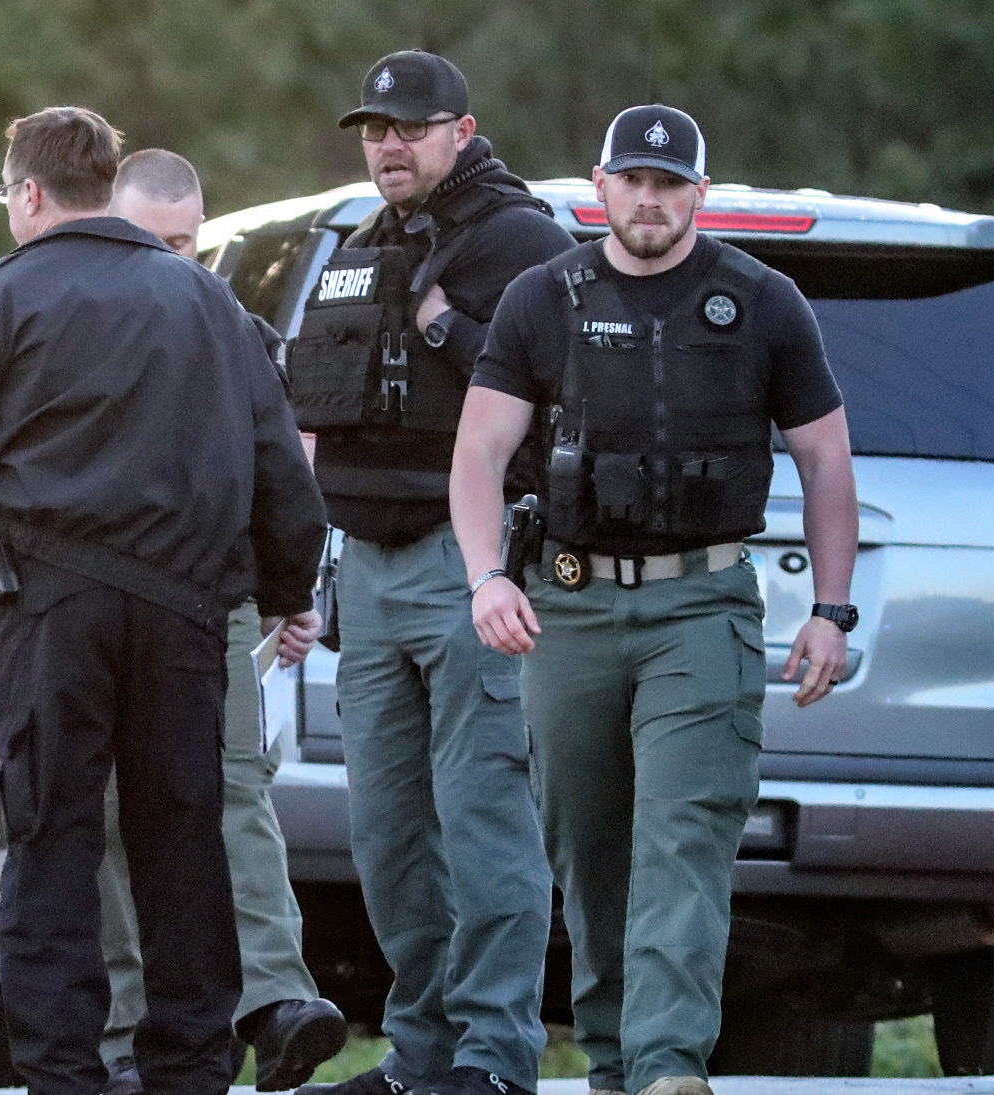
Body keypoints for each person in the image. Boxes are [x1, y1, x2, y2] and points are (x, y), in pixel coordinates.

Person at [0, 107, 328, 1095]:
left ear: (29, 193)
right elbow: (282, 481)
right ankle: (186, 1070)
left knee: (52, 842)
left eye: (6, 194)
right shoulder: (208, 304)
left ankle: (66, 1073)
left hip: (53, 610)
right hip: (185, 616)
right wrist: (286, 588)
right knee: (181, 840)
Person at [452, 105, 859, 1095]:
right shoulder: (539, 299)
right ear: (599, 186)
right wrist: (484, 576)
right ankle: (612, 1059)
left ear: (697, 196)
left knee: (683, 835)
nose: (648, 198)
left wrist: (830, 610)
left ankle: (668, 1067)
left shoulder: (761, 302)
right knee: (589, 853)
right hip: (570, 603)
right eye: (632, 180)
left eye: (669, 183)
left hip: (700, 606)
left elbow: (824, 459)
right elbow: (477, 451)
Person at [290, 51, 574, 1095]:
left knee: (483, 822)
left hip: (475, 571)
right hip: (365, 570)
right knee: (388, 835)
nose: (385, 145)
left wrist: (448, 328)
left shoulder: (526, 243)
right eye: (372, 128)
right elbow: (313, 410)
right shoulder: (364, 245)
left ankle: (492, 1058)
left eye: (406, 127)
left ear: (461, 129)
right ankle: (419, 1057)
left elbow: (565, 400)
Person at [93, 149, 348, 1095]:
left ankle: (276, 1005)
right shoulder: (69, 319)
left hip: (214, 604)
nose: (171, 259)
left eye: (184, 243)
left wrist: (290, 593)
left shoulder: (235, 329)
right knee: (112, 809)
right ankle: (124, 1036)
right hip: (94, 603)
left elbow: (281, 470)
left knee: (232, 790)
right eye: (149, 239)